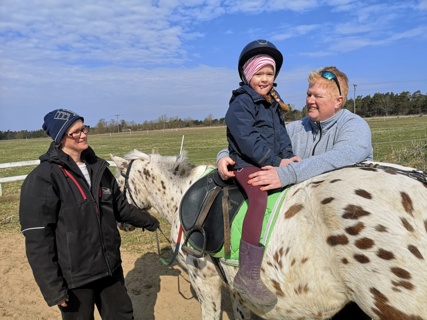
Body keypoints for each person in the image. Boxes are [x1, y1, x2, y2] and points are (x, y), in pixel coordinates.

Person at [218, 66, 373, 319]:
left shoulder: (354, 127)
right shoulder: (298, 128)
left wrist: (286, 173)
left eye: (318, 96)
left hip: (352, 239)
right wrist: (223, 156)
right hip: (314, 236)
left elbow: (340, 158)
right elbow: (248, 140)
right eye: (309, 94)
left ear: (338, 101)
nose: (310, 100)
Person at [19, 109, 160, 320]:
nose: (83, 134)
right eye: (75, 132)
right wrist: (53, 288)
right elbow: (38, 238)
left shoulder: (99, 168)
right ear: (60, 139)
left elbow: (119, 206)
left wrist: (150, 221)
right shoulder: (43, 178)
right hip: (75, 279)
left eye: (83, 128)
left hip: (110, 269)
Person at [225, 39, 301, 307]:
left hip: (269, 161)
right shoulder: (241, 103)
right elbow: (246, 139)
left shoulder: (271, 104)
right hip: (246, 163)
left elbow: (281, 135)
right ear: (247, 75)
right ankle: (247, 273)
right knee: (258, 197)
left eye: (269, 74)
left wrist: (287, 158)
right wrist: (273, 161)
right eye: (259, 73)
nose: (265, 79)